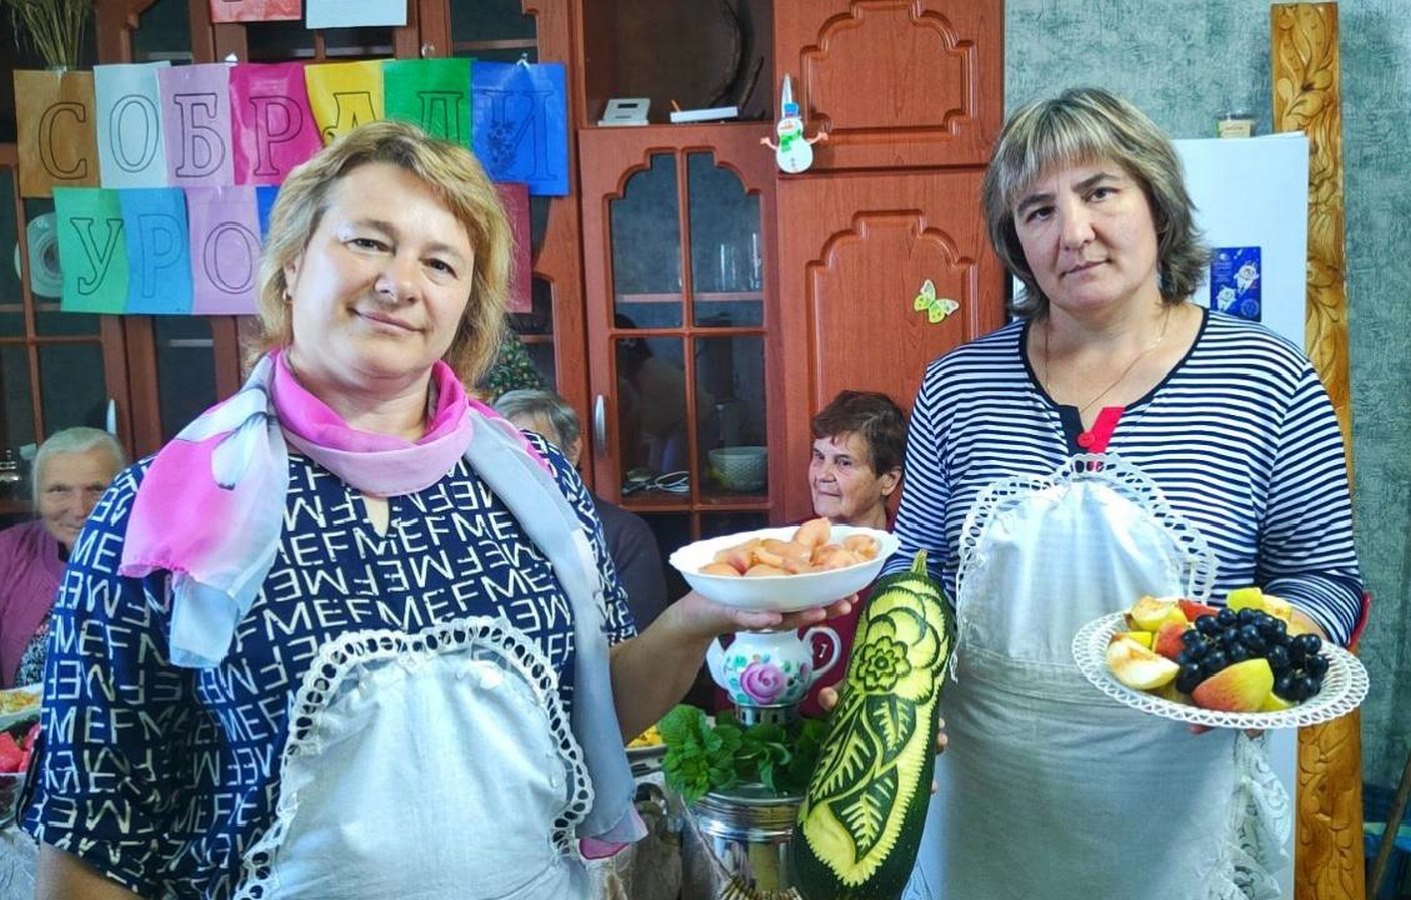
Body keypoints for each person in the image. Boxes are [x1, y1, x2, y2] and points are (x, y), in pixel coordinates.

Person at [23, 120, 850, 900]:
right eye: (367, 242)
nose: (399, 284)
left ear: (465, 309)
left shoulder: (537, 485)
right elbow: (90, 822)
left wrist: (699, 617)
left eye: (441, 264)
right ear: (290, 265)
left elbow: (589, 711)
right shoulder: (159, 508)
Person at [888, 87, 1364, 899]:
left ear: (1157, 201)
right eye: (1037, 210)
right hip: (984, 804)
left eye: (1099, 191)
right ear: (1015, 241)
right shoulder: (958, 385)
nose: (1072, 231)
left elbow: (1324, 577)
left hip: (1174, 805)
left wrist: (1259, 656)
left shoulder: (1266, 377)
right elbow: (911, 574)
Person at [493, 388, 671, 630]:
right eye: (503, 450)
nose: (518, 464)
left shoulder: (624, 534)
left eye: (533, 449)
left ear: (572, 450)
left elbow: (639, 639)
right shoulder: (486, 530)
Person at [797, 389, 907, 716]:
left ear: (888, 480)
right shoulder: (783, 548)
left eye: (844, 462)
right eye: (819, 457)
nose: (822, 475)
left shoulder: (910, 560)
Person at [0, 427, 125, 689]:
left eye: (97, 489)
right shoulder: (9, 551)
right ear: (37, 497)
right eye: (59, 490)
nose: (79, 509)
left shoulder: (156, 562)